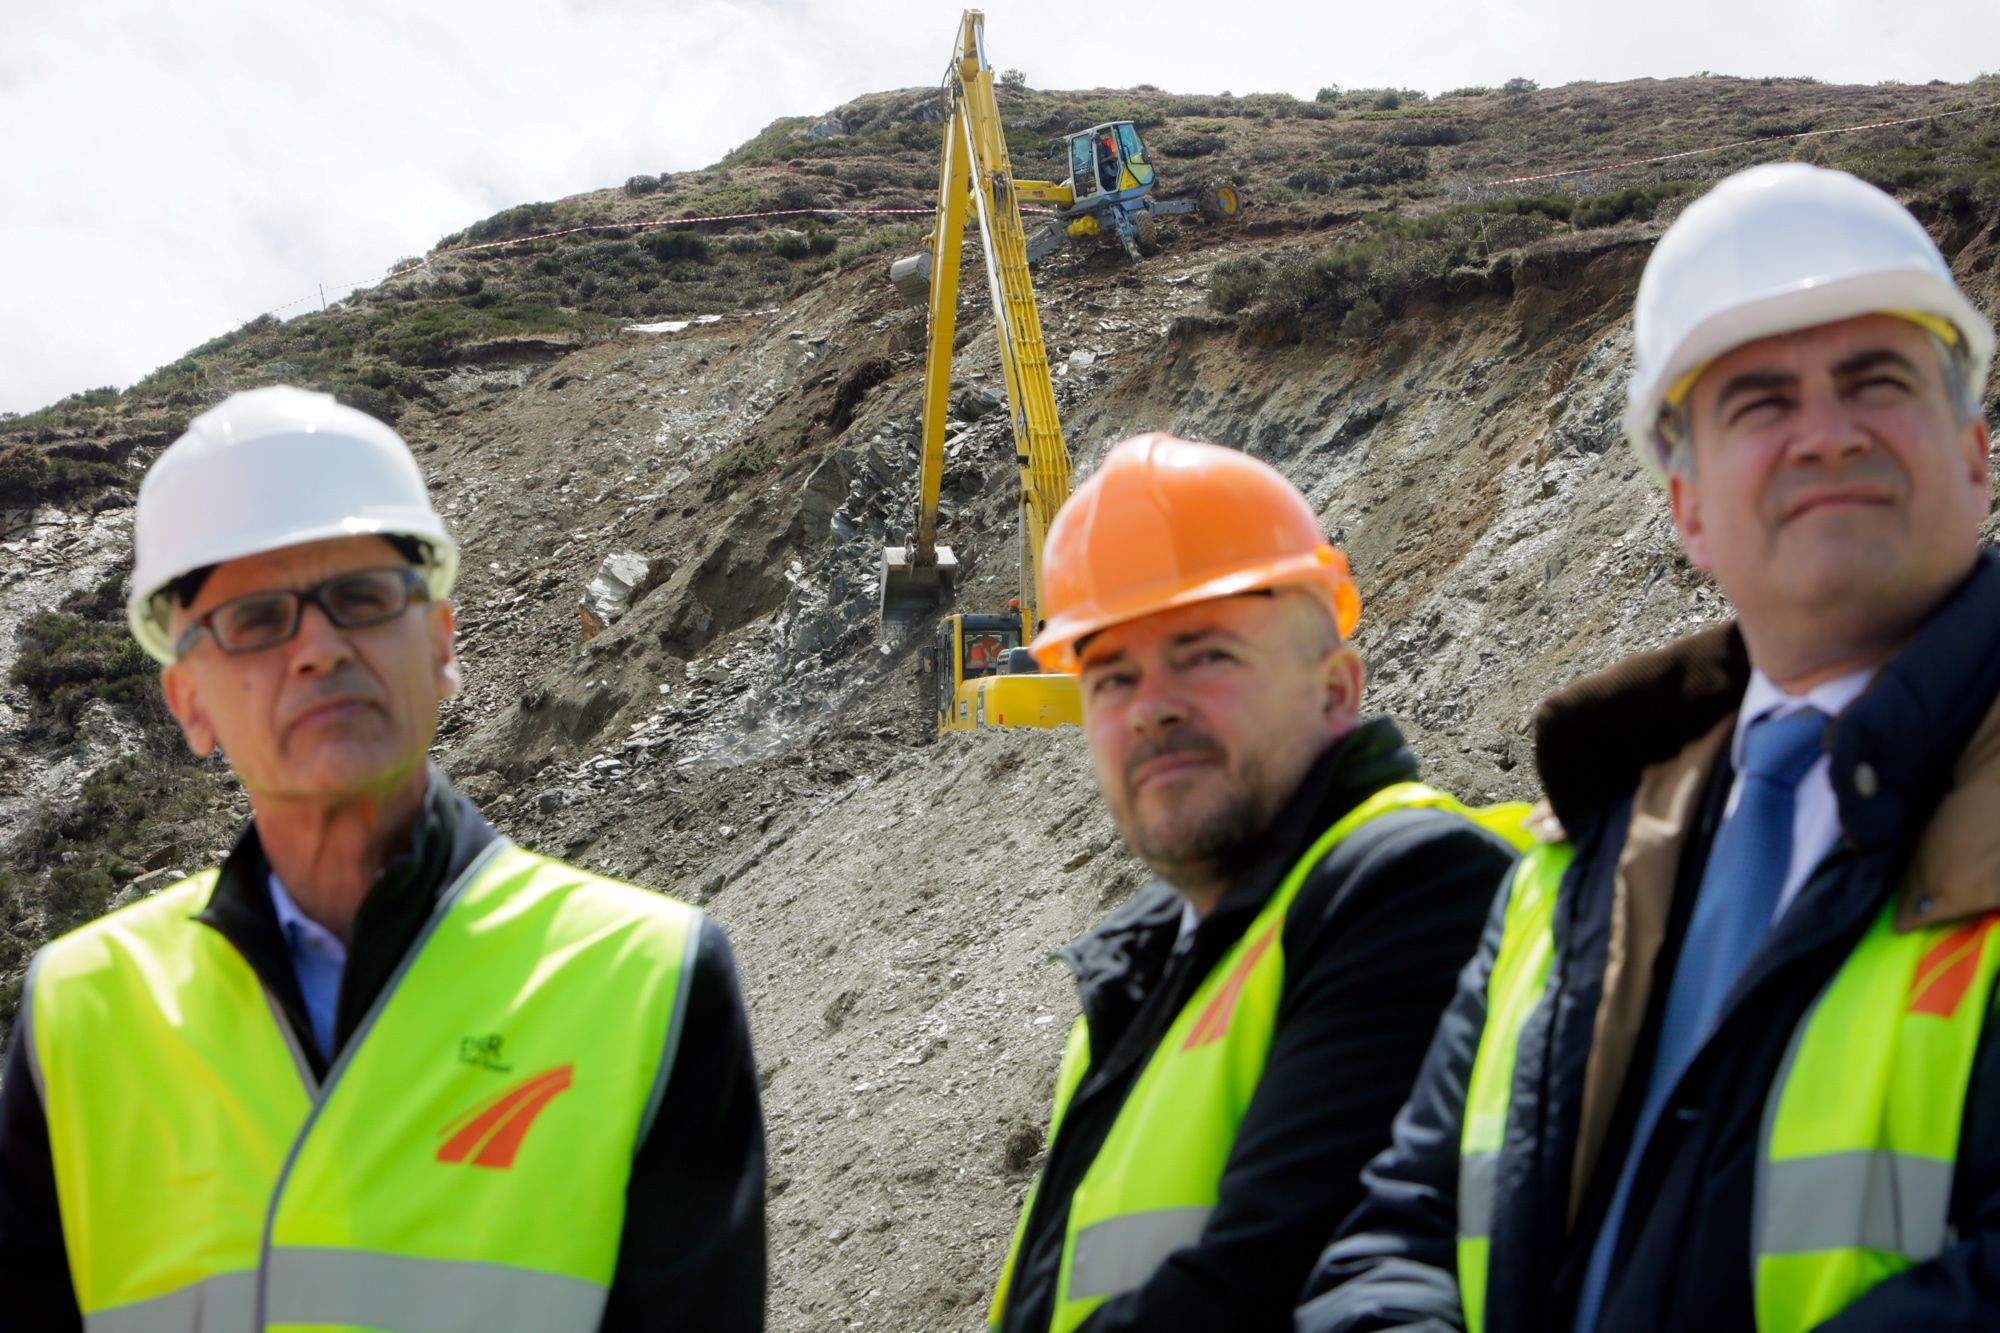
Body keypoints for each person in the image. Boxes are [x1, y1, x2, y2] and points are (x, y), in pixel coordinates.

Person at [1297, 162, 2000, 1332]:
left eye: (1875, 380)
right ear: (1683, 509)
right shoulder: (1581, 854)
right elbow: (1398, 1230)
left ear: (1974, 451)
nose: (1823, 434)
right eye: (1759, 402)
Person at [0, 387, 766, 1330]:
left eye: (361, 598)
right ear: (187, 700)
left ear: (441, 644)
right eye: (255, 619)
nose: (319, 648)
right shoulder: (78, 1011)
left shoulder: (651, 982)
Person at [988, 434, 1521, 1332]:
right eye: (1112, 675)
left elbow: (1261, 1284)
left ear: (1338, 691)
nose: (1151, 705)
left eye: (1204, 655)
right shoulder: (1154, 960)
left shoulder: (1413, 886)